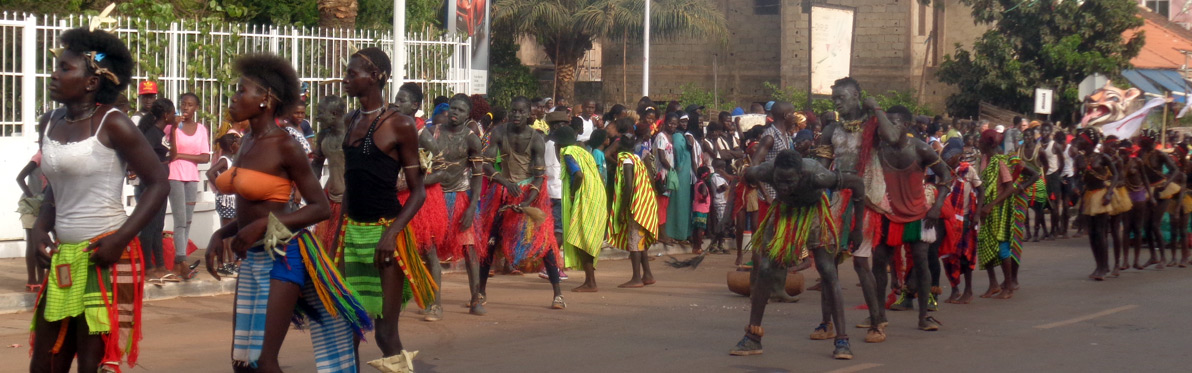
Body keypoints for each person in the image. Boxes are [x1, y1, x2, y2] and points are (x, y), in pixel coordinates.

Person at [204, 53, 372, 372]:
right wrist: (221, 233)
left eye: (242, 91)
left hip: (283, 256)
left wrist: (263, 228)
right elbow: (254, 209)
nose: (234, 97)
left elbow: (319, 208)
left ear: (265, 99)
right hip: (253, 259)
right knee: (243, 362)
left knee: (265, 361)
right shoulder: (247, 141)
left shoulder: (286, 145)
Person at [30, 26, 169, 372]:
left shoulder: (114, 123)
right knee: (46, 360)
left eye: (65, 68)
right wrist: (39, 228)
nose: (55, 74)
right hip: (65, 258)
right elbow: (56, 187)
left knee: (92, 362)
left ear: (92, 82)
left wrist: (119, 240)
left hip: (105, 255)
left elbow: (158, 183)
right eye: (57, 66)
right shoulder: (50, 121)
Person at [338, 47, 432, 369]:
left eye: (353, 74)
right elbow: (351, 185)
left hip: (385, 236)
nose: (346, 79)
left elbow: (418, 191)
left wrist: (391, 235)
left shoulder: (401, 125)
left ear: (375, 76)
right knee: (348, 326)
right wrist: (339, 236)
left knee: (385, 334)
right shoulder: (350, 121)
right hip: (352, 234)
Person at [729, 150, 864, 360]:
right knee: (764, 269)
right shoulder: (766, 171)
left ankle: (842, 340)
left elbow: (857, 184)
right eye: (779, 181)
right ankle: (753, 336)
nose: (783, 186)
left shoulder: (818, 175)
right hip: (785, 212)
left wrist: (858, 227)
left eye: (789, 181)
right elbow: (741, 181)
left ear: (801, 174)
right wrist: (727, 215)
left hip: (814, 211)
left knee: (828, 271)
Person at [867, 105, 951, 330]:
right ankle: (878, 315)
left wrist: (937, 207)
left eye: (893, 123)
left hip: (918, 214)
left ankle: (923, 316)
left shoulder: (921, 149)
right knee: (879, 263)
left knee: (921, 262)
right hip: (887, 213)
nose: (887, 129)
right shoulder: (878, 148)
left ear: (905, 125)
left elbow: (946, 175)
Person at [478, 96, 564, 309]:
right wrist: (504, 182)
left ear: (529, 114)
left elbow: (538, 176)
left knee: (545, 242)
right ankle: (479, 292)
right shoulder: (498, 132)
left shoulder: (536, 139)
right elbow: (486, 164)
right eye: (513, 111)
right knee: (490, 240)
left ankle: (558, 294)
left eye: (521, 111)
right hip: (503, 191)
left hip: (530, 193)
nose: (516, 115)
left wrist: (527, 202)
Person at [423, 92, 485, 315]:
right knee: (430, 248)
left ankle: (476, 298)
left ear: (468, 115)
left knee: (469, 250)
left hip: (460, 196)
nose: (454, 113)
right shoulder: (433, 132)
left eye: (460, 110)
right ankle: (435, 302)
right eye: (452, 108)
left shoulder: (471, 138)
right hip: (435, 196)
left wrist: (471, 206)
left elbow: (478, 175)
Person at [395, 87, 451, 322]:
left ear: (415, 105)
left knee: (429, 251)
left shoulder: (422, 134)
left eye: (402, 100)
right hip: (399, 196)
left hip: (423, 199)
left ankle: (435, 304)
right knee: (399, 250)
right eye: (396, 99)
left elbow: (442, 170)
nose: (396, 103)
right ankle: (398, 300)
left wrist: (411, 185)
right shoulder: (395, 128)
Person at [977, 129, 1039, 299]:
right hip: (985, 210)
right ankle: (993, 284)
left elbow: (1009, 188)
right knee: (985, 246)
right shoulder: (983, 160)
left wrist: (990, 205)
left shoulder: (1001, 162)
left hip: (999, 210)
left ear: (987, 144)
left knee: (1003, 247)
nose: (978, 144)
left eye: (980, 142)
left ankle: (1009, 286)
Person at [555, 125, 608, 292]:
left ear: (559, 145)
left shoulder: (568, 153)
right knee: (587, 237)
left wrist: (572, 195)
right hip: (597, 195)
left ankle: (590, 281)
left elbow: (577, 175)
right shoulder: (585, 152)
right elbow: (598, 175)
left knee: (580, 238)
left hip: (584, 197)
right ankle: (590, 279)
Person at [167, 92, 210, 280]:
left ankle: (181, 261)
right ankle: (181, 261)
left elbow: (205, 157)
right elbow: (170, 153)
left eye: (190, 104)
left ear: (196, 108)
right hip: (174, 174)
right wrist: (175, 127)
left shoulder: (201, 129)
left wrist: (182, 156)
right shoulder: (172, 127)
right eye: (183, 104)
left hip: (192, 177)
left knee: (188, 221)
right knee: (180, 221)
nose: (186, 108)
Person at [609, 130, 658, 288]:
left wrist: (623, 208)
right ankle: (648, 274)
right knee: (640, 239)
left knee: (635, 241)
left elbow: (629, 186)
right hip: (646, 202)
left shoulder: (626, 161)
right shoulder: (637, 158)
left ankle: (636, 278)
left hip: (636, 205)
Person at [940, 139, 980, 304]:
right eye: (946, 157)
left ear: (959, 155)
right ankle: (955, 288)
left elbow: (980, 189)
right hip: (949, 220)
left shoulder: (967, 170)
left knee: (965, 254)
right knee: (947, 255)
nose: (949, 159)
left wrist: (977, 213)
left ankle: (968, 290)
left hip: (965, 218)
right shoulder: (944, 173)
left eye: (951, 156)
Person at [1138, 129, 1183, 269]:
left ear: (1148, 140)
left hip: (1161, 190)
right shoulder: (1141, 154)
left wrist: (1167, 183)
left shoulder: (1160, 154)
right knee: (1146, 226)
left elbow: (1175, 170)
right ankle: (1153, 256)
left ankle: (1163, 257)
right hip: (1147, 190)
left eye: (1142, 139)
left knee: (1155, 225)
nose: (1139, 141)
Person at [310, 95, 348, 254]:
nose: (317, 117)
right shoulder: (324, 136)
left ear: (334, 114)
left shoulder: (354, 134)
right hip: (331, 199)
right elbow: (317, 166)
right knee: (326, 249)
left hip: (351, 202)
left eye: (321, 112)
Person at [206, 132, 242, 277]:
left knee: (231, 230)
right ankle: (226, 262)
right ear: (232, 146)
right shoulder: (224, 160)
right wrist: (220, 187)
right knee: (227, 233)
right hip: (226, 200)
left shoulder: (231, 159)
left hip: (232, 199)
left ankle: (230, 262)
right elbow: (210, 172)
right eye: (238, 143)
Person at [17, 151, 48, 292]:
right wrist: (32, 197)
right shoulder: (39, 157)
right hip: (30, 206)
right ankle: (32, 279)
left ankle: (41, 279)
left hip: (44, 207)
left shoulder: (54, 158)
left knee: (40, 241)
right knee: (32, 241)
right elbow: (20, 178)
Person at [666, 112, 695, 245]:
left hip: (684, 173)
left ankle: (682, 233)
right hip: (681, 173)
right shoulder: (678, 135)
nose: (684, 124)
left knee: (682, 203)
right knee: (679, 203)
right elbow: (677, 148)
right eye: (681, 122)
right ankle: (678, 233)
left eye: (685, 122)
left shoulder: (683, 135)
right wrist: (679, 165)